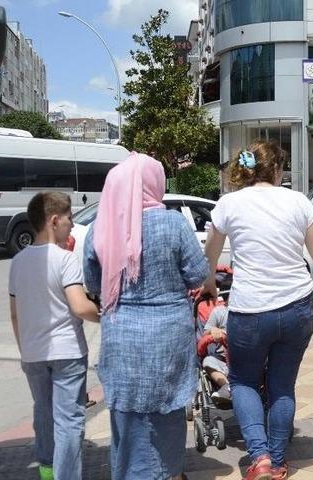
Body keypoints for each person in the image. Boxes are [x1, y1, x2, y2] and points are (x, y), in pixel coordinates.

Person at [202, 140, 313, 480]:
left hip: (249, 311)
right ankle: (277, 463)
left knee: (244, 381)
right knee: (282, 385)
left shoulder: (229, 203)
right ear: (278, 169)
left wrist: (208, 284)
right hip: (297, 307)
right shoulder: (298, 202)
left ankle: (260, 456)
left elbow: (209, 256)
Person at [83, 153, 208, 480]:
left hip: (121, 339)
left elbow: (94, 283)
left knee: (127, 421)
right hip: (169, 340)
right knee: (166, 418)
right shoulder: (174, 223)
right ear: (155, 183)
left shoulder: (101, 226)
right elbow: (197, 274)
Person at [8, 191, 100, 480]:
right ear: (54, 220)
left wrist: (25, 350)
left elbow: (15, 314)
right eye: (70, 218)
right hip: (68, 353)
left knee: (44, 416)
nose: (72, 225)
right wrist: (108, 315)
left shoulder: (17, 262)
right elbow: (80, 307)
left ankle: (47, 473)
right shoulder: (65, 259)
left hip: (33, 352)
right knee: (69, 421)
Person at [196, 304, 231, 406]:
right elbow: (206, 334)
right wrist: (213, 330)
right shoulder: (220, 312)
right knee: (208, 361)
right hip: (223, 359)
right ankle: (227, 387)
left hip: (249, 358)